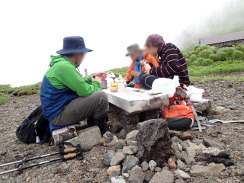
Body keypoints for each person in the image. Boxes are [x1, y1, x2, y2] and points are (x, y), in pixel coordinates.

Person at [40, 36, 109, 134]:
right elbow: (85, 91)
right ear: (78, 54)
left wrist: (91, 78)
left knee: (95, 96)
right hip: (58, 116)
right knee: (100, 97)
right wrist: (97, 82)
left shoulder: (62, 64)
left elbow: (77, 83)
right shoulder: (65, 67)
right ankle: (100, 130)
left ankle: (96, 127)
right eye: (84, 54)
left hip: (57, 110)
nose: (84, 57)